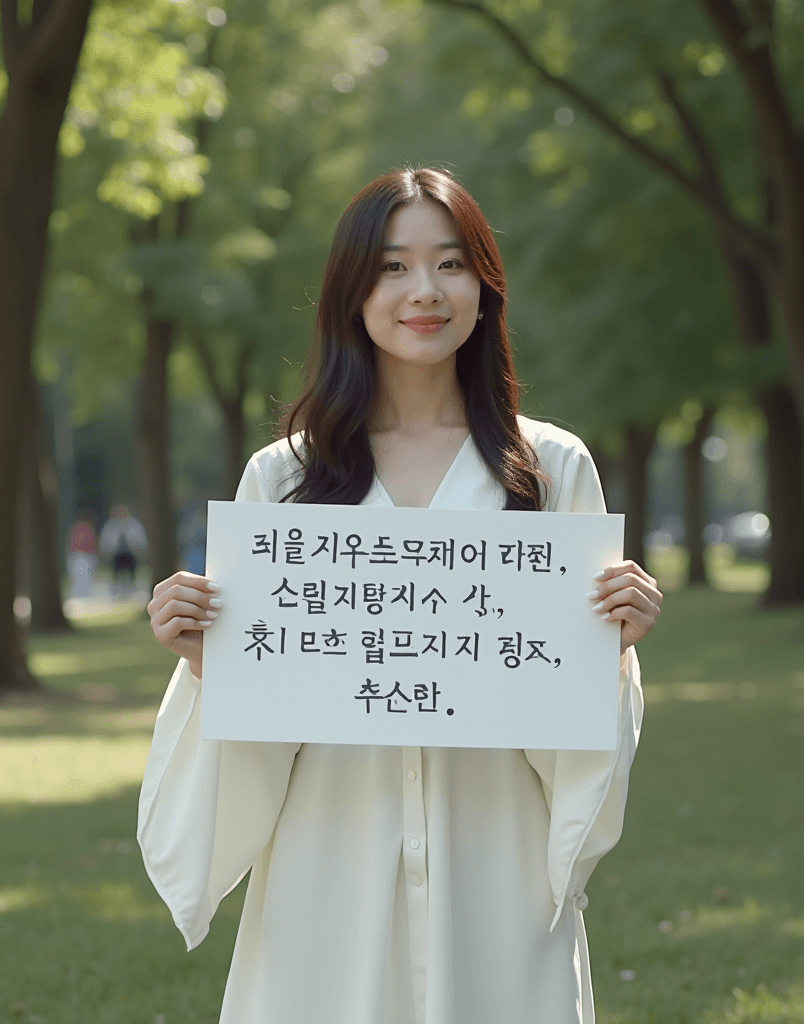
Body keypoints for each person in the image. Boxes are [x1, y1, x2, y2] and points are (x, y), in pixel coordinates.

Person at [139, 167, 662, 1024]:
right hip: (327, 865)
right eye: (391, 267)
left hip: (494, 863)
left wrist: (615, 647)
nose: (424, 290)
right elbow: (265, 714)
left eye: (450, 265)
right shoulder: (286, 478)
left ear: (485, 288)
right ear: (351, 292)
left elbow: (572, 705)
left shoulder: (549, 472)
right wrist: (208, 662)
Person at [99, 504, 148, 596]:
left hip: (130, 553)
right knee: (116, 572)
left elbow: (140, 538)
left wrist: (141, 550)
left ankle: (131, 588)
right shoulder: (111, 525)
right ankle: (117, 589)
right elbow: (105, 540)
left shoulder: (133, 524)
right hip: (116, 554)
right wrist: (105, 552)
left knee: (131, 571)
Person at [66, 512, 98, 598]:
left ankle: (85, 590)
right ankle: (78, 590)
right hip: (77, 554)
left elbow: (91, 542)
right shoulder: (75, 529)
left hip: (87, 554)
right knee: (77, 574)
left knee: (86, 573)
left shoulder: (88, 529)